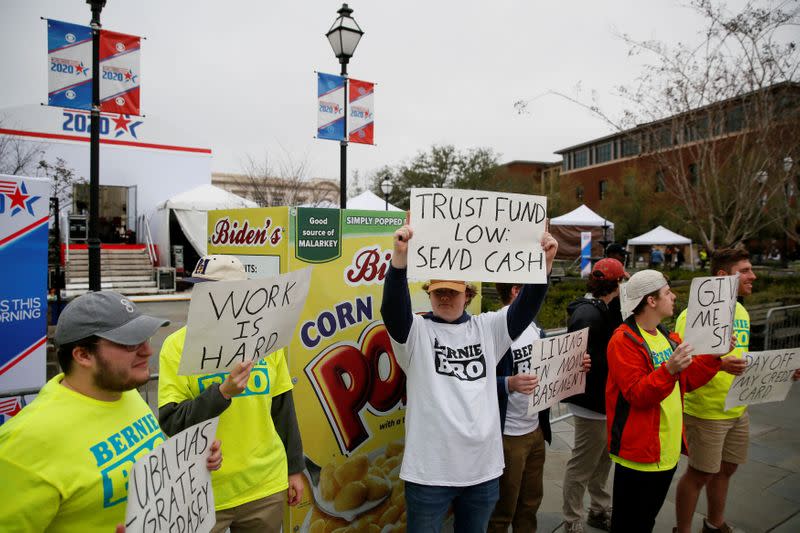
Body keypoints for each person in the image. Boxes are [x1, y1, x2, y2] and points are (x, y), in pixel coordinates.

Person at [380, 217, 558, 533]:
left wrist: (543, 265)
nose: (445, 298)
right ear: (429, 294)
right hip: (429, 475)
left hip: (483, 472)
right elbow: (392, 309)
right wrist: (400, 260)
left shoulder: (488, 328)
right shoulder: (416, 333)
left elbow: (525, 307)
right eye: (438, 292)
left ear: (468, 294)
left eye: (452, 291)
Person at [0, 290, 222, 532]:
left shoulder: (125, 392)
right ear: (83, 355)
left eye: (145, 339)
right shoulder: (25, 442)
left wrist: (190, 463)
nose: (147, 352)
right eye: (129, 343)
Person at [158, 255, 304, 533]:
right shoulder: (176, 347)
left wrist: (294, 469)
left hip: (265, 486)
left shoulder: (267, 341)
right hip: (203, 490)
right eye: (196, 289)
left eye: (209, 290)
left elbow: (283, 409)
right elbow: (172, 421)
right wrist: (222, 393)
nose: (197, 298)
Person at [606, 270, 725, 533]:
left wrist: (715, 355)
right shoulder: (623, 340)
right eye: (667, 292)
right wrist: (668, 369)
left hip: (666, 451)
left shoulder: (666, 336)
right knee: (628, 526)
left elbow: (689, 378)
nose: (673, 296)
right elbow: (637, 394)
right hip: (638, 454)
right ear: (651, 300)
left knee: (646, 521)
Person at [489, 283, 590, 533]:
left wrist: (573, 365)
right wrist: (507, 383)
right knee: (503, 508)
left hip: (535, 431)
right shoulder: (493, 328)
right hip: (508, 435)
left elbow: (547, 368)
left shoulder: (534, 328)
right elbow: (473, 381)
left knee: (530, 502)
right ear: (516, 291)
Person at [674, 248, 755, 533]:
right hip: (706, 411)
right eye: (744, 270)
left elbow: (743, 357)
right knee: (700, 473)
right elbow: (683, 362)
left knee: (727, 469)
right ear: (723, 276)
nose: (752, 275)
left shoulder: (741, 310)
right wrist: (720, 365)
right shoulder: (694, 314)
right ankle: (682, 529)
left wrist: (781, 373)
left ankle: (714, 523)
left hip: (737, 407)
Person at [561, 258, 628, 533]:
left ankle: (598, 509)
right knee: (584, 463)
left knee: (602, 460)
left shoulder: (605, 309)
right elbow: (576, 354)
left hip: (603, 401)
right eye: (623, 280)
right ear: (616, 284)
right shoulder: (590, 313)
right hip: (592, 402)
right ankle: (572, 518)